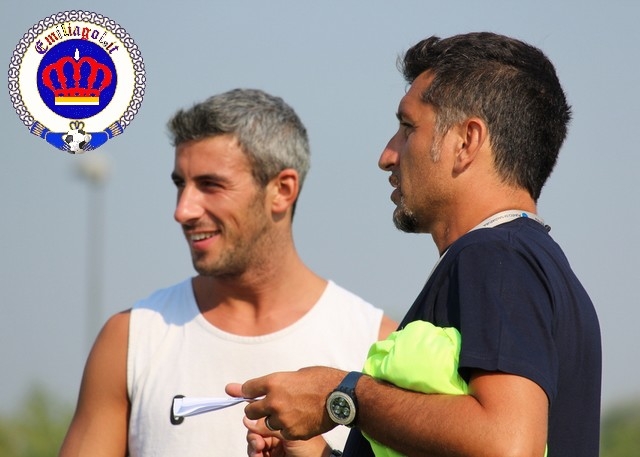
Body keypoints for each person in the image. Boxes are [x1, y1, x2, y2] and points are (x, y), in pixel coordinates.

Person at [227, 32, 602, 457]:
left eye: (407, 128)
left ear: (466, 142)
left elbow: (508, 444)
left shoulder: (497, 258)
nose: (387, 155)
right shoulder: (532, 264)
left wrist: (341, 394)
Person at [59, 88, 397, 457]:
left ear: (282, 190)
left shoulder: (377, 345)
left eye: (210, 185)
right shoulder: (129, 339)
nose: (183, 210)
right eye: (180, 184)